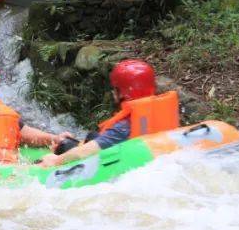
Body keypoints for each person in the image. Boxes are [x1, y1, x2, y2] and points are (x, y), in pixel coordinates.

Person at [38, 59, 179, 168]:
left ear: (121, 92)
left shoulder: (123, 127)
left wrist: (55, 160)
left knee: (66, 145)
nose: (113, 92)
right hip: (155, 156)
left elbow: (87, 151)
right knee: (92, 136)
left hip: (126, 164)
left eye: (115, 89)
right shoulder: (161, 111)